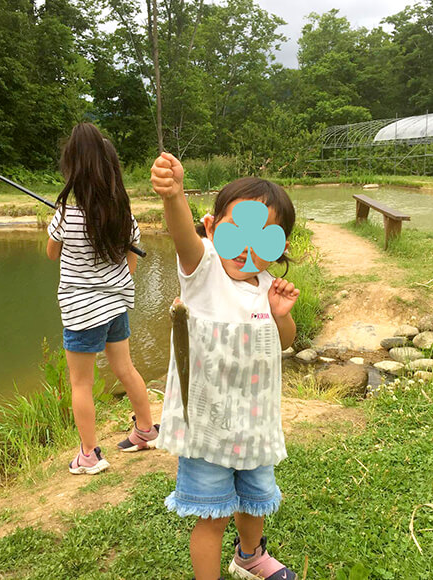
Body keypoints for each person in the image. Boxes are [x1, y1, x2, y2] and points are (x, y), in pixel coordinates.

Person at [151, 152, 300, 580]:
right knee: (212, 517)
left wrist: (282, 315)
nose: (247, 249)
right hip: (207, 427)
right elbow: (182, 235)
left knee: (255, 500)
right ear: (213, 228)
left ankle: (250, 556)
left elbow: (285, 342)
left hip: (254, 422)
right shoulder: (203, 271)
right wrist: (174, 194)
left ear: (281, 246)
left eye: (264, 238)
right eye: (236, 233)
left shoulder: (270, 286)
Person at [47, 123, 159, 475]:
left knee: (80, 382)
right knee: (124, 368)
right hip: (115, 307)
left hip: (81, 313)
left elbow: (51, 253)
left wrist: (60, 221)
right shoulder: (125, 217)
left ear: (73, 170)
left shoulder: (67, 214)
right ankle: (145, 430)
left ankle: (89, 455)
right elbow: (130, 264)